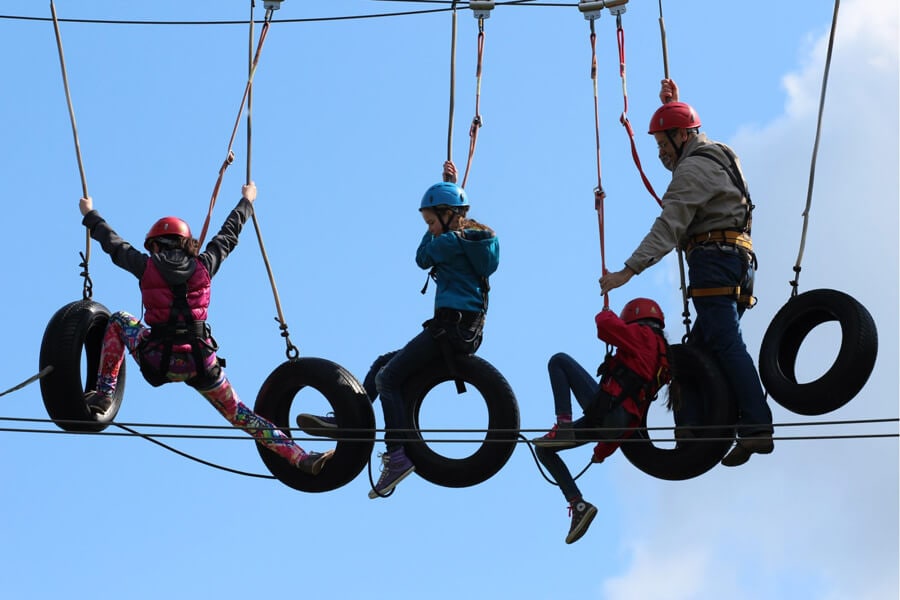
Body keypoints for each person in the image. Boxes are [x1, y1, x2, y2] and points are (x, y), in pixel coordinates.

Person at [78, 182, 333, 475]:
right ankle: (301, 458)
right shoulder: (204, 265)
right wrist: (247, 201)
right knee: (243, 416)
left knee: (120, 320)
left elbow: (114, 245)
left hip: (158, 359)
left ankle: (104, 393)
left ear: (158, 245)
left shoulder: (147, 266)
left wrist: (90, 214)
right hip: (201, 362)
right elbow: (228, 235)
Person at [296, 160, 499, 498]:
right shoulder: (477, 240)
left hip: (449, 329)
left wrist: (437, 227)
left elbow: (422, 257)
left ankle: (397, 455)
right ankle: (349, 419)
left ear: (449, 216)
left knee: (387, 378)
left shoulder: (449, 242)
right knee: (382, 363)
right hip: (466, 331)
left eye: (432, 221)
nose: (430, 227)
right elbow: (449, 233)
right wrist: (449, 187)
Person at [599, 78, 774, 467]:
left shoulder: (692, 170)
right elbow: (694, 144)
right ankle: (701, 433)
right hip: (737, 262)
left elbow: (669, 226)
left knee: (725, 343)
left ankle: (755, 425)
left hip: (713, 261)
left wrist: (628, 271)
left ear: (681, 136)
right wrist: (674, 107)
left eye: (664, 144)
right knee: (700, 352)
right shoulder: (718, 153)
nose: (661, 155)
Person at [533, 299, 671, 544]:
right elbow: (630, 418)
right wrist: (602, 450)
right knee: (544, 451)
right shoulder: (660, 357)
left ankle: (563, 425)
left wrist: (606, 313)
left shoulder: (643, 337)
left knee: (559, 361)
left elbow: (605, 327)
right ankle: (578, 505)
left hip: (608, 414)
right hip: (614, 424)